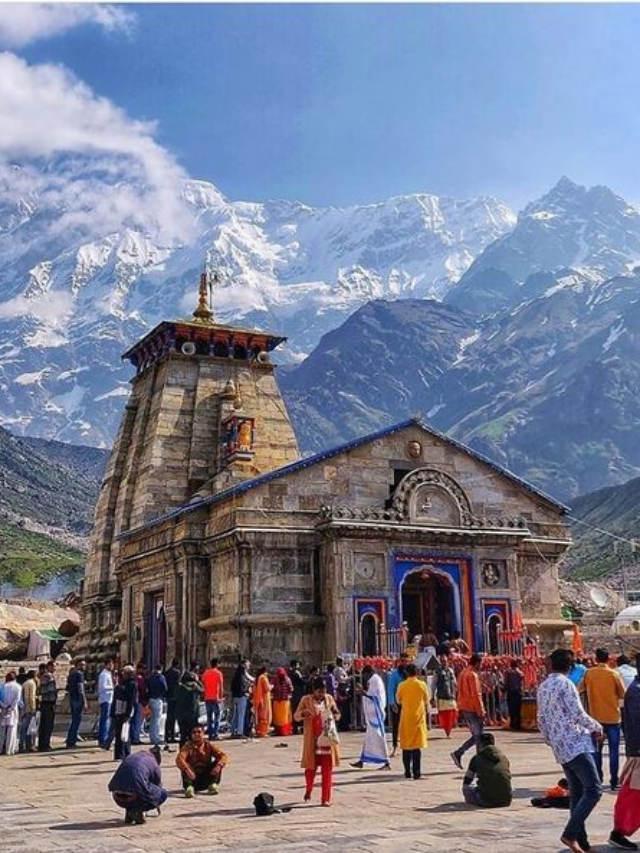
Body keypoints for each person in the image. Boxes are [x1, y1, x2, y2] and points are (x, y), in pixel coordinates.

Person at [537, 648, 603, 853]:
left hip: (560, 746)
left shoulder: (544, 687)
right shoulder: (566, 684)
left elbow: (541, 720)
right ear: (570, 666)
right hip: (576, 744)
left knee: (577, 793)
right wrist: (597, 726)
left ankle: (581, 842)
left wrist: (551, 739)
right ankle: (570, 833)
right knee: (594, 790)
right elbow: (578, 714)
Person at [608, 652, 640, 851]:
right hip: (639, 752)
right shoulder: (636, 691)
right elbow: (637, 724)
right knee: (633, 795)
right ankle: (618, 832)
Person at [582, 648, 625, 790]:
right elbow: (622, 694)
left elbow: (579, 689)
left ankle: (598, 779)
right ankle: (613, 780)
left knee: (596, 750)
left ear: (596, 658)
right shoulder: (614, 674)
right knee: (614, 751)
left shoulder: (589, 673)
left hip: (595, 718)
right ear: (608, 659)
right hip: (613, 717)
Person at [294, 675, 340, 806]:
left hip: (327, 740)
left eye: (323, 691)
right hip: (313, 741)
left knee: (327, 769)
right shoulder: (306, 700)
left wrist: (335, 716)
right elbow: (296, 716)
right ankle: (309, 789)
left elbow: (337, 713)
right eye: (319, 691)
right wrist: (304, 714)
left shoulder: (329, 699)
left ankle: (325, 798)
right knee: (310, 769)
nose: (321, 694)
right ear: (313, 690)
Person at [108, 746, 168, 824]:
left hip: (117, 796)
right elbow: (157, 784)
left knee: (134, 786)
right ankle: (137, 810)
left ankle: (129, 811)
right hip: (134, 795)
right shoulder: (153, 763)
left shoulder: (132, 756)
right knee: (162, 793)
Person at [351, 665, 390, 769]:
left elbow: (375, 696)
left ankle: (386, 761)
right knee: (369, 739)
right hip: (372, 714)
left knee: (379, 738)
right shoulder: (374, 680)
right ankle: (362, 760)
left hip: (375, 714)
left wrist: (362, 693)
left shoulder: (374, 680)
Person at [176, 722, 228, 797]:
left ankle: (212, 785)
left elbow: (223, 756)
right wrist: (187, 769)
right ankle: (189, 788)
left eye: (199, 732)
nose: (196, 734)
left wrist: (219, 765)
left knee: (218, 762)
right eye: (194, 732)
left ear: (203, 733)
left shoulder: (208, 745)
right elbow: (179, 759)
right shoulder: (187, 746)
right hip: (192, 778)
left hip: (206, 777)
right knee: (185, 765)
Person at [451, 653, 485, 769]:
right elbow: (476, 695)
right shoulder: (472, 675)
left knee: (477, 735)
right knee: (478, 736)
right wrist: (481, 711)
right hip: (473, 708)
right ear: (477, 663)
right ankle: (476, 760)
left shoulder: (462, 674)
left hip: (465, 707)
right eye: (481, 663)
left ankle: (460, 753)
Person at [396, 663, 429, 780]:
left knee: (406, 747)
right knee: (416, 747)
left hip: (406, 718)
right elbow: (426, 699)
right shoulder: (422, 685)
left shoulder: (402, 685)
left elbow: (398, 700)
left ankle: (407, 772)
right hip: (418, 718)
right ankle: (417, 772)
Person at [462, 732, 512, 808]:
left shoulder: (477, 758)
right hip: (506, 800)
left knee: (466, 788)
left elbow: (467, 780)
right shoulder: (503, 757)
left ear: (480, 744)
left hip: (486, 800)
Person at [112, 666, 138, 761]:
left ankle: (124, 753)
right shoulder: (121, 683)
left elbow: (131, 700)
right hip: (119, 708)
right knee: (119, 733)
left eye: (125, 673)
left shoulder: (132, 684)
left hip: (126, 709)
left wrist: (128, 713)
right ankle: (120, 754)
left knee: (124, 732)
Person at [433, 649, 457, 738]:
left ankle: (449, 730)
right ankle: (447, 732)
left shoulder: (450, 670)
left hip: (451, 696)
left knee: (452, 713)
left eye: (445, 661)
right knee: (444, 715)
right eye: (442, 661)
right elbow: (434, 684)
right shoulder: (437, 671)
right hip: (441, 697)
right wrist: (432, 696)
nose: (444, 662)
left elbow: (454, 682)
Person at [175, 671, 203, 747]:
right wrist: (198, 681)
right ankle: (192, 753)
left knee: (183, 736)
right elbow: (203, 689)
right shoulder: (195, 687)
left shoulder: (180, 688)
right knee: (193, 736)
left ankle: (182, 753)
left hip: (181, 716)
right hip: (192, 716)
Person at [387, 655, 408, 756]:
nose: (404, 663)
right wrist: (392, 703)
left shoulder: (409, 673)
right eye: (402, 661)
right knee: (395, 726)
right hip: (397, 703)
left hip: (408, 704)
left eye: (406, 661)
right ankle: (395, 747)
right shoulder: (394, 674)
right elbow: (391, 689)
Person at [65, 658, 87, 748]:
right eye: (82, 665)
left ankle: (70, 739)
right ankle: (72, 741)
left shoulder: (71, 674)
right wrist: (84, 700)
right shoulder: (79, 674)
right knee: (76, 720)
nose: (84, 667)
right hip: (78, 698)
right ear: (78, 665)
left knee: (74, 720)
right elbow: (81, 689)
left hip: (72, 698)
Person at [37, 660, 58, 752]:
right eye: (53, 666)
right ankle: (45, 745)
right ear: (49, 667)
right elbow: (49, 690)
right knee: (47, 725)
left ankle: (43, 744)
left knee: (45, 725)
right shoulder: (47, 676)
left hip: (47, 702)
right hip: (48, 702)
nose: (55, 668)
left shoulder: (46, 676)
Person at [202, 657, 223, 740]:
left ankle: (210, 734)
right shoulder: (218, 673)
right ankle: (215, 733)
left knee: (209, 717)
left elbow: (203, 682)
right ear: (217, 664)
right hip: (215, 697)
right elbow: (220, 686)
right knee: (217, 716)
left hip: (207, 697)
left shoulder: (206, 673)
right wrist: (221, 697)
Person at [0, 671, 21, 755]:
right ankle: (9, 750)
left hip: (3, 709)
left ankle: (0, 748)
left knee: (1, 731)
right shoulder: (18, 687)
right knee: (11, 731)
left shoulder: (2, 686)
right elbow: (17, 699)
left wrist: (4, 706)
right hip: (13, 710)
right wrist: (11, 707)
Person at [147, 664, 168, 748]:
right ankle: (156, 738)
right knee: (157, 719)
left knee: (152, 719)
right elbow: (165, 687)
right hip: (158, 699)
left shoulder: (150, 677)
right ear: (161, 669)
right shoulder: (161, 677)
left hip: (151, 698)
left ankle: (152, 737)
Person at [163, 658, 182, 750]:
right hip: (175, 696)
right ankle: (172, 735)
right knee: (173, 717)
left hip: (168, 697)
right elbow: (178, 684)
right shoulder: (177, 673)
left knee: (168, 717)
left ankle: (167, 735)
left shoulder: (166, 673)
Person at [230, 659, 251, 737]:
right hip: (241, 697)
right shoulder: (242, 676)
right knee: (241, 715)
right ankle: (240, 732)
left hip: (235, 697)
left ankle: (232, 731)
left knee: (235, 715)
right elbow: (242, 687)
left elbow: (232, 687)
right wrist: (246, 692)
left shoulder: (235, 675)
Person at [98, 659, 115, 749]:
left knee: (107, 720)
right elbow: (103, 687)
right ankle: (103, 739)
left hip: (109, 698)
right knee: (105, 720)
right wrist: (113, 687)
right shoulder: (104, 675)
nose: (112, 666)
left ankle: (105, 738)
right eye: (111, 664)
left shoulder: (108, 674)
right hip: (105, 699)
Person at [19, 669, 37, 753]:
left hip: (24, 708)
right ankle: (28, 745)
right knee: (29, 728)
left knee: (24, 728)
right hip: (29, 708)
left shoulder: (25, 683)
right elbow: (31, 697)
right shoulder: (32, 683)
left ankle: (22, 744)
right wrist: (32, 708)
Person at [272, 667, 294, 736]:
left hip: (281, 702)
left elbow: (291, 689)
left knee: (281, 718)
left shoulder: (276, 679)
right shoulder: (287, 679)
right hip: (282, 702)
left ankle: (282, 731)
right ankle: (282, 731)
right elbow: (291, 689)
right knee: (282, 718)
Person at [504, 659, 524, 731]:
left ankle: (512, 724)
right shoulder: (520, 672)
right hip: (518, 692)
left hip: (511, 692)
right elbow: (521, 681)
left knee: (511, 709)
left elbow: (506, 682)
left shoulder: (508, 672)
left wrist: (504, 690)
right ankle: (518, 724)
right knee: (518, 709)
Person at [253, 665, 273, 737]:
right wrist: (271, 686)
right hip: (264, 700)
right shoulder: (263, 678)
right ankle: (263, 732)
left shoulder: (257, 678)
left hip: (258, 700)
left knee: (259, 716)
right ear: (265, 671)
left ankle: (258, 731)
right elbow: (267, 688)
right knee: (264, 716)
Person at [131, 664, 148, 745]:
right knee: (138, 721)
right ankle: (136, 738)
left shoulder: (135, 678)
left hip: (137, 701)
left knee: (136, 721)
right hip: (140, 701)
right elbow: (143, 690)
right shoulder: (140, 678)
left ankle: (134, 737)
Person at [288, 660, 305, 735]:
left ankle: (295, 727)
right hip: (297, 694)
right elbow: (301, 682)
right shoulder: (295, 673)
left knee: (295, 710)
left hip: (295, 694)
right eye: (297, 665)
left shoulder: (290, 673)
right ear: (294, 665)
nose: (298, 666)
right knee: (298, 710)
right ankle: (297, 727)